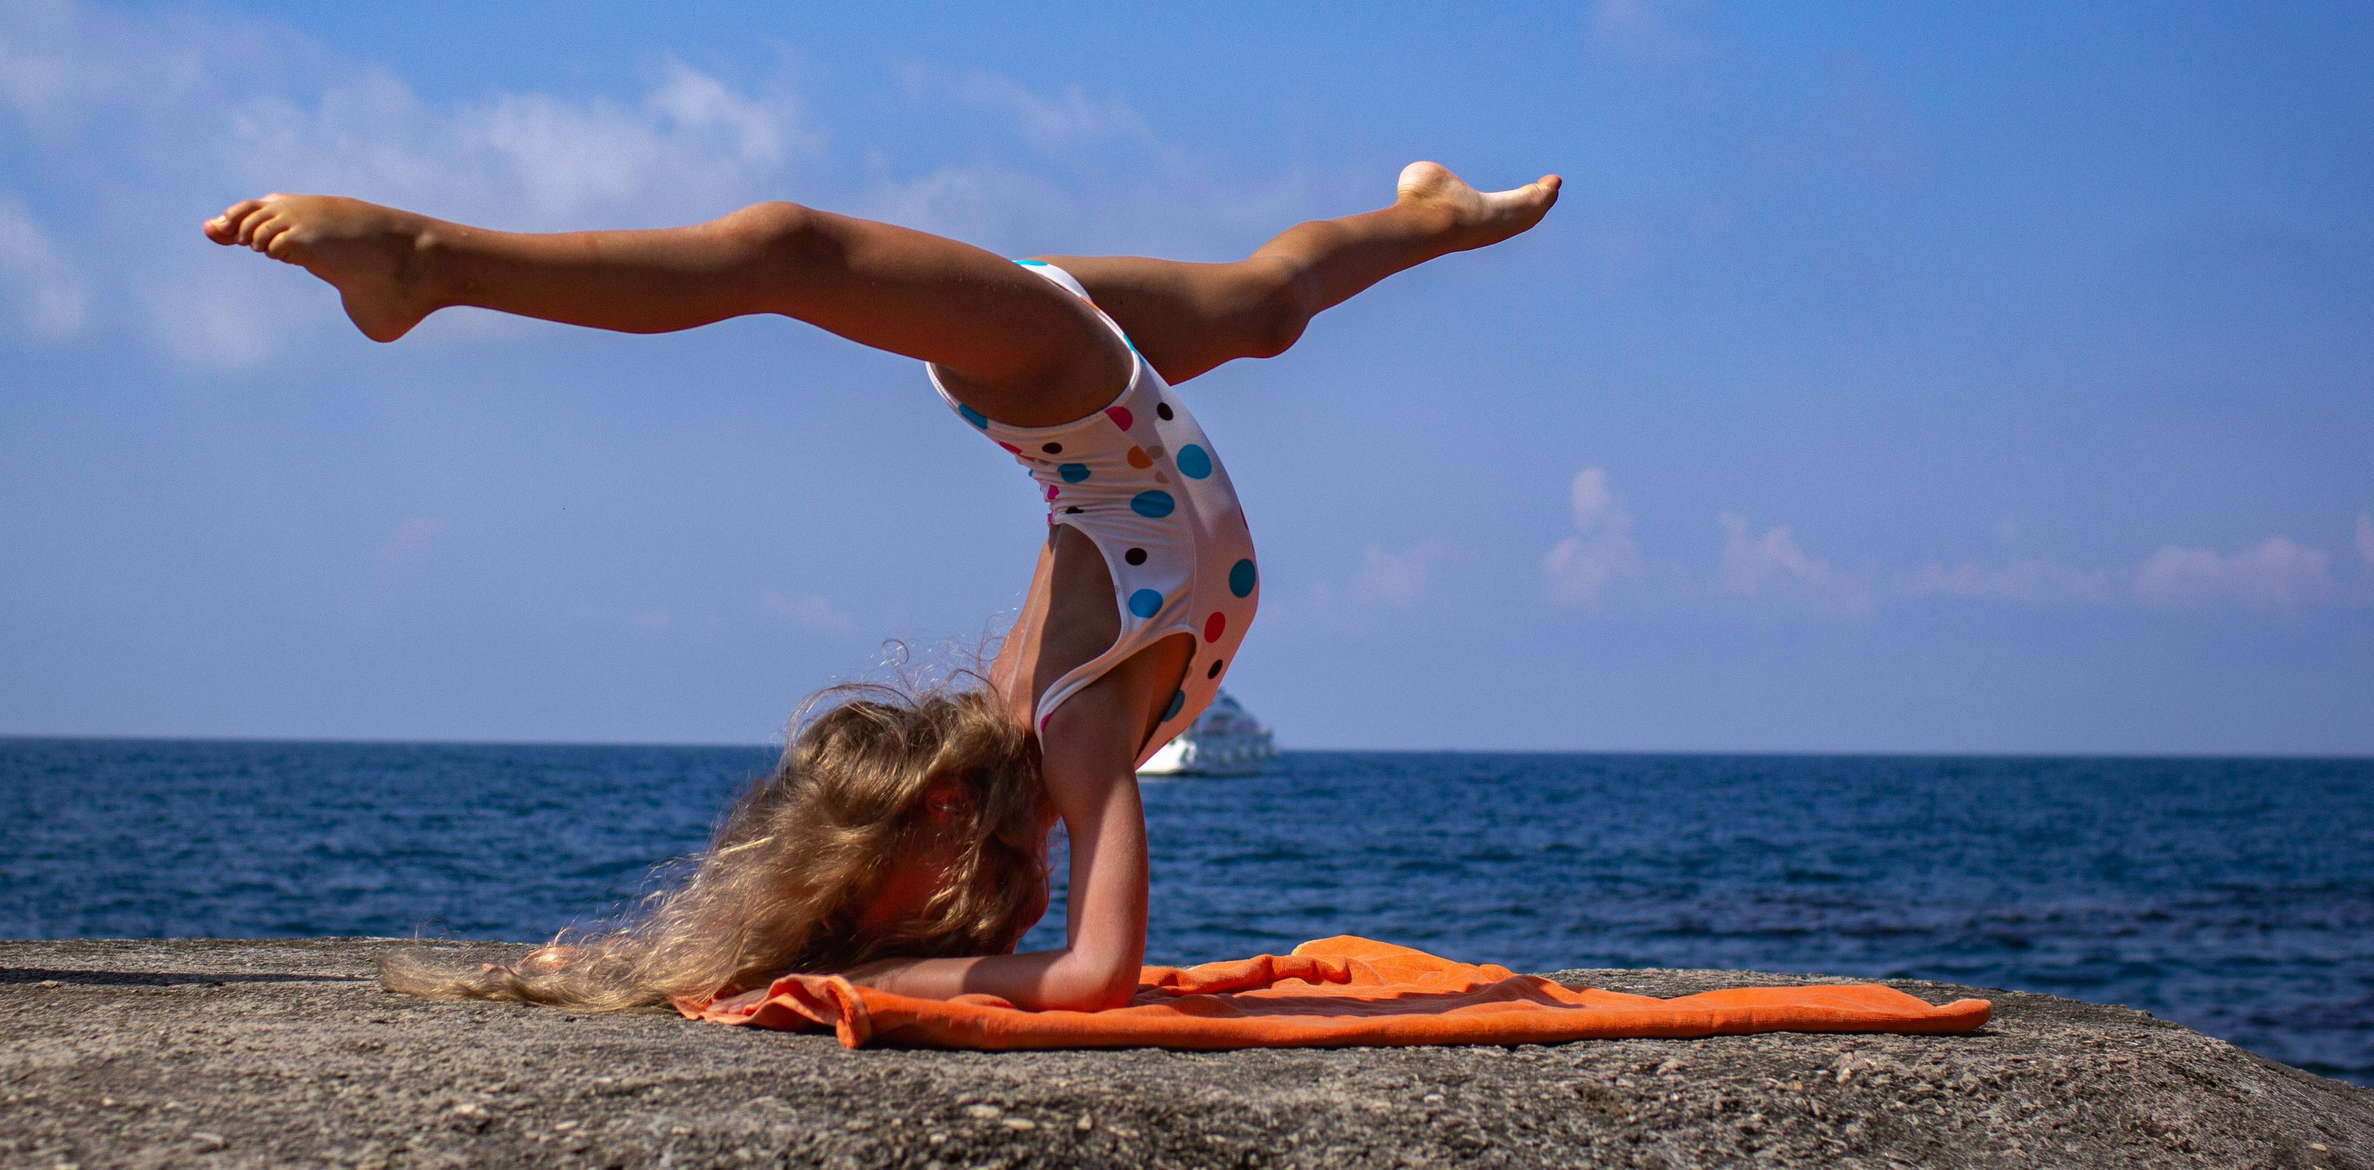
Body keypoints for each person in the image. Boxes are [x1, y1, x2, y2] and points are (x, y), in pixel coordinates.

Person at [202, 159, 1560, 1012]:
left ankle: (425, 264)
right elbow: (1098, 977)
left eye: (868, 879)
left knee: (788, 246)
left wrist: (793, 963)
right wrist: (841, 965)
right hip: (1092, 404)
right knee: (1267, 309)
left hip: (1057, 400)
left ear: (936, 802)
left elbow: (1061, 972)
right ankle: (1422, 216)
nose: (888, 899)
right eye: (879, 901)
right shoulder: (1080, 744)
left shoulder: (1035, 732)